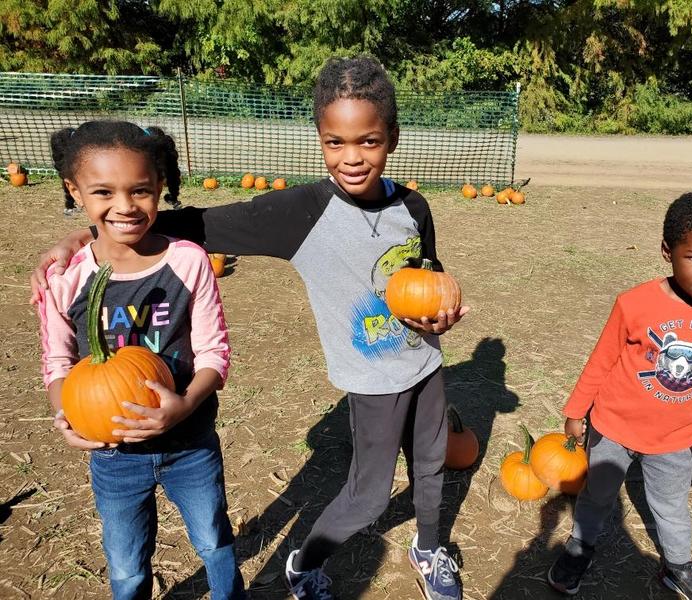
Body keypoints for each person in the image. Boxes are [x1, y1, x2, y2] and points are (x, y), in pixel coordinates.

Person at [33, 57, 469, 600]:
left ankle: (429, 549)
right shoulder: (301, 213)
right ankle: (304, 563)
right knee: (371, 496)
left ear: (393, 138)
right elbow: (190, 221)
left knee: (432, 463)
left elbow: (430, 277)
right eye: (336, 142)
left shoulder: (414, 206)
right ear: (320, 138)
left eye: (369, 141)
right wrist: (83, 239)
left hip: (425, 362)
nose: (352, 157)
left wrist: (441, 317)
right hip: (372, 377)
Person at [38, 120, 245, 600]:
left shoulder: (189, 261)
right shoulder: (65, 277)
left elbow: (215, 351)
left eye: (141, 191)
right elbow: (58, 360)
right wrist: (64, 409)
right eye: (103, 192)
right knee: (127, 566)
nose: (125, 206)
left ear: (161, 189)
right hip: (113, 455)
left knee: (214, 541)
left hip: (190, 443)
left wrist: (185, 403)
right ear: (75, 191)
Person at [547, 191, 692, 600]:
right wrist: (576, 409)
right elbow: (602, 360)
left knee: (672, 508)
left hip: (674, 438)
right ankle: (579, 547)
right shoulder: (634, 303)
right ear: (666, 251)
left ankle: (677, 565)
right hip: (612, 427)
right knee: (597, 496)